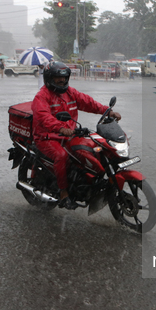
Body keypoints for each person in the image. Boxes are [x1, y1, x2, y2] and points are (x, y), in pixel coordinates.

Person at [31, 62, 121, 210]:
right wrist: (60, 128)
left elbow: (88, 103)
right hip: (47, 137)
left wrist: (107, 111)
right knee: (61, 156)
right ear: (49, 78)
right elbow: (43, 117)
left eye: (64, 78)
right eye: (57, 78)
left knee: (90, 150)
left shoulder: (70, 93)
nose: (61, 81)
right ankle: (64, 194)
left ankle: (85, 184)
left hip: (69, 135)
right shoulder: (42, 96)